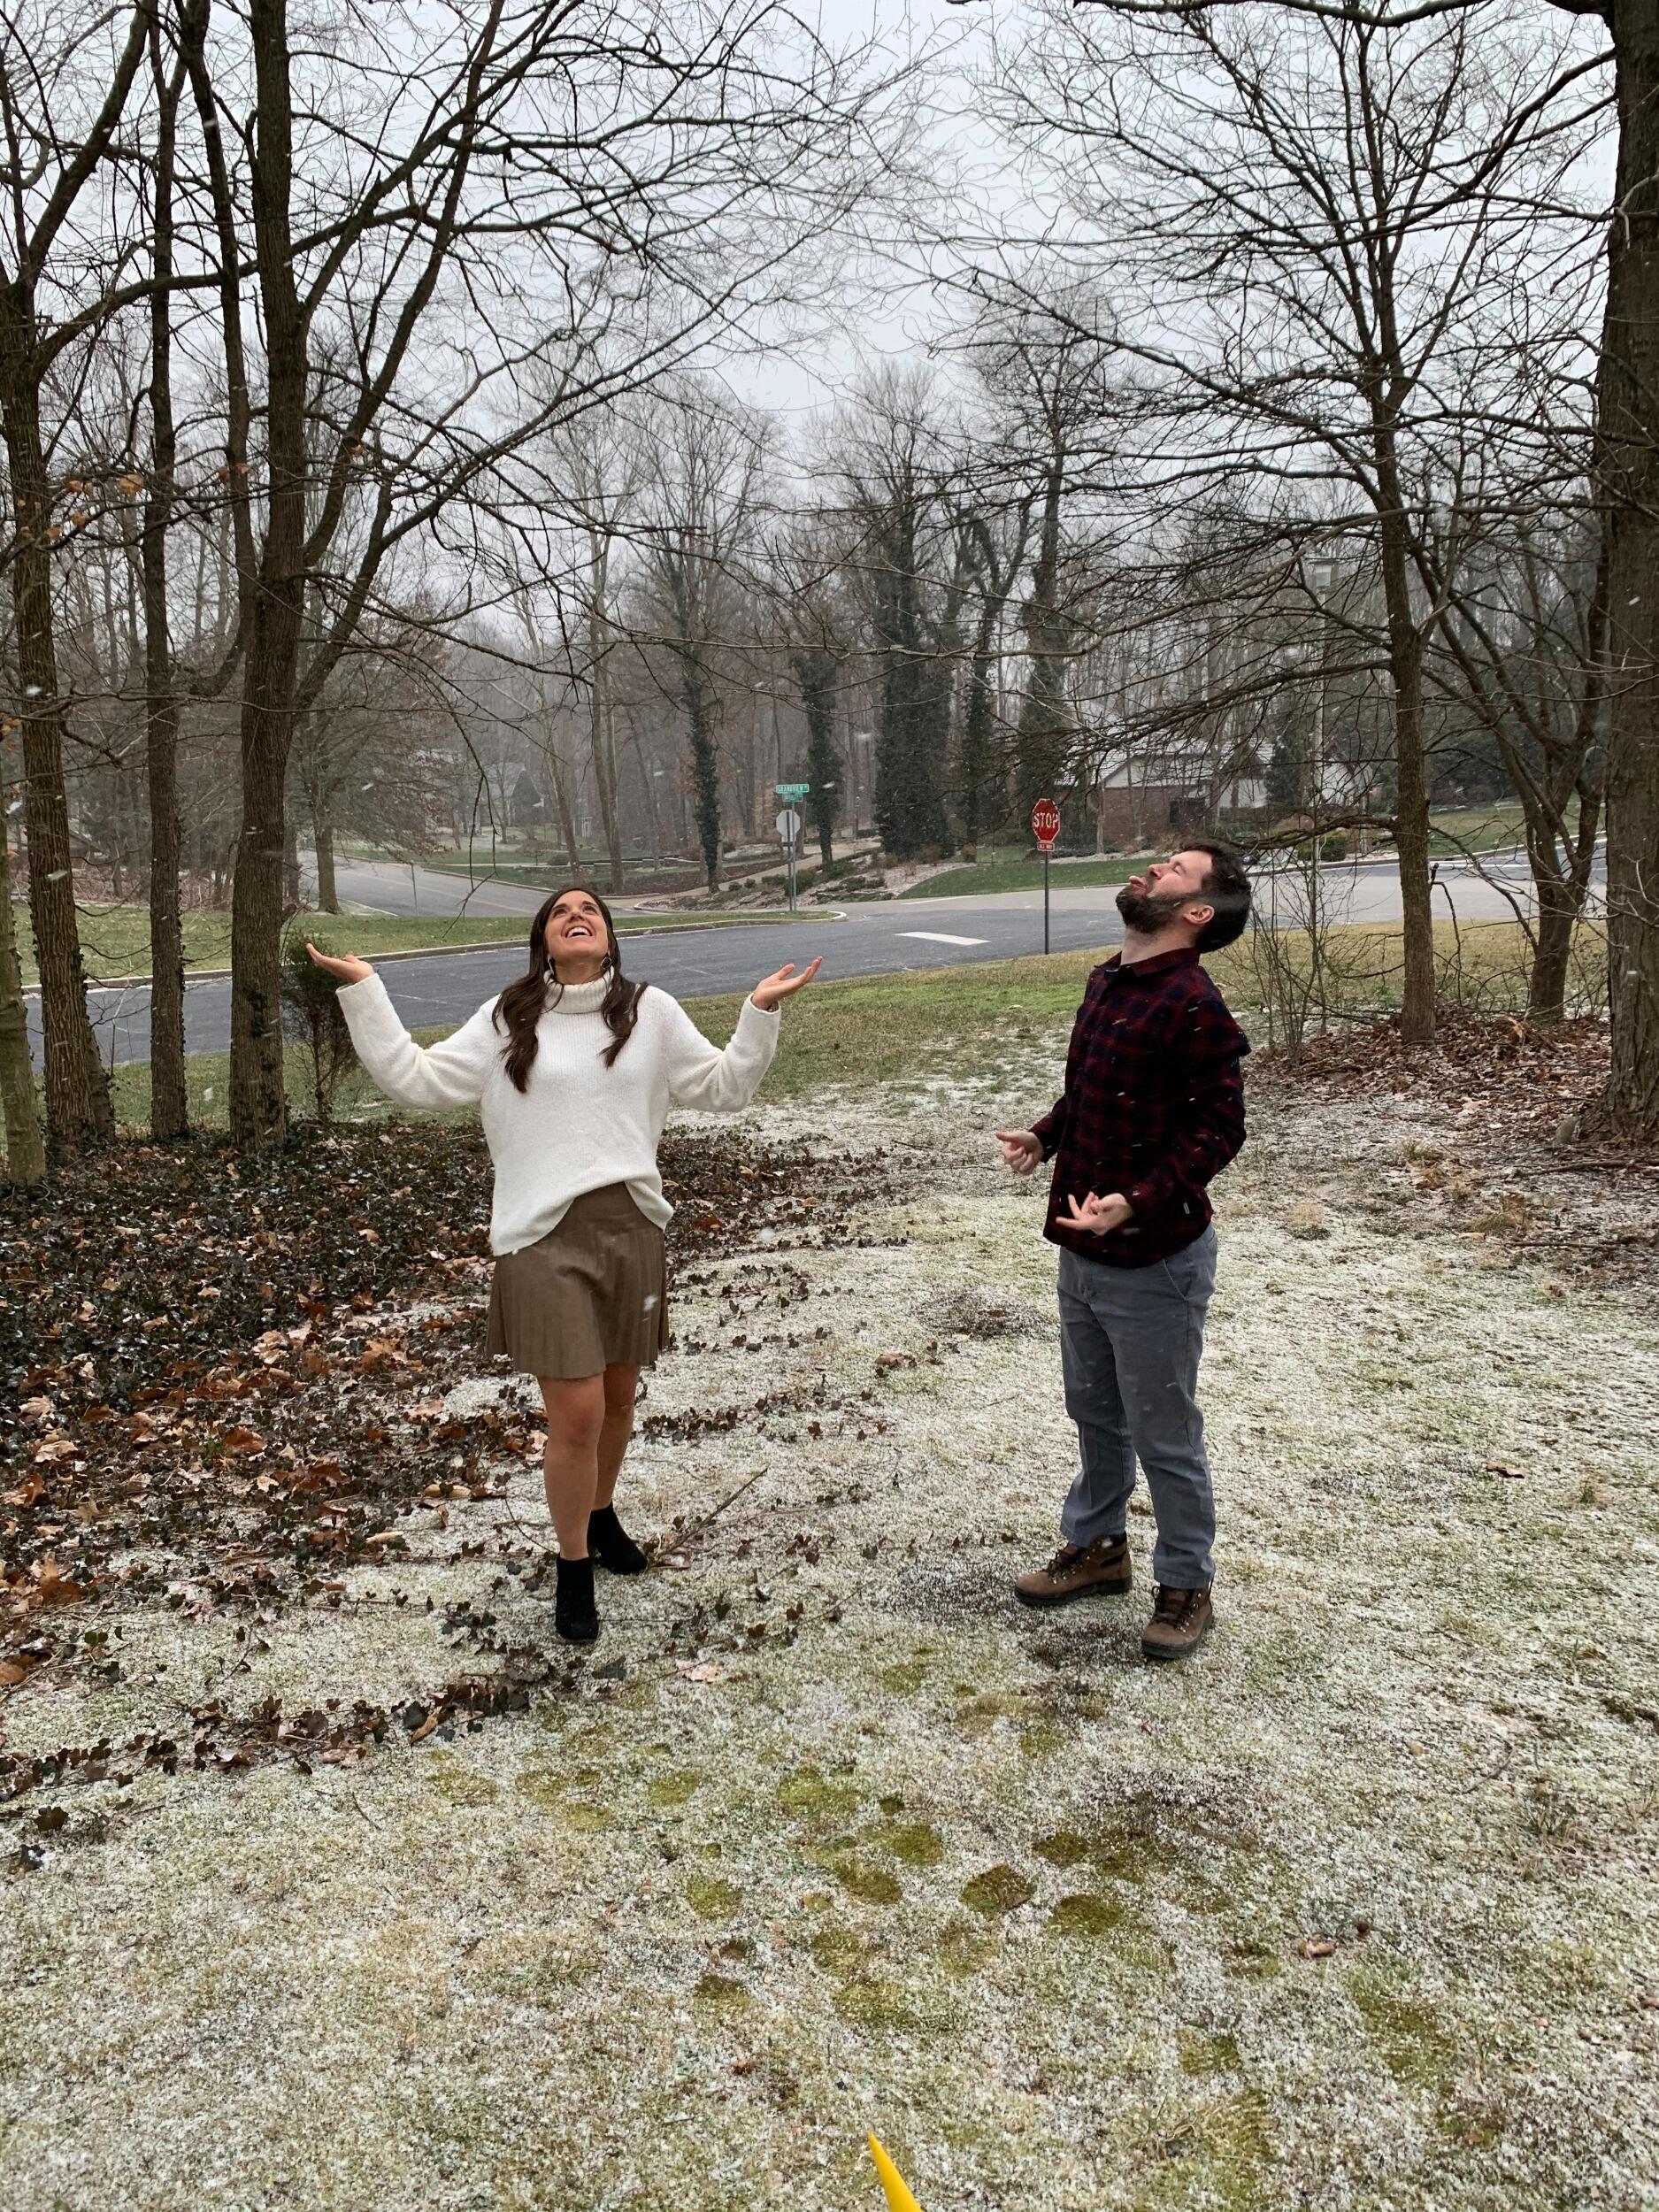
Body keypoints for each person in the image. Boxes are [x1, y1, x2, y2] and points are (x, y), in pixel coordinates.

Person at [308, 888, 818, 1645]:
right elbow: (416, 1080)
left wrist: (758, 1012)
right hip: (540, 1235)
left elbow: (722, 1089)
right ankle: (573, 1565)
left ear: (609, 935)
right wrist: (366, 990)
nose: (577, 915)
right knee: (575, 1413)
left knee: (617, 1398)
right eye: (560, 911)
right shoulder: (506, 1016)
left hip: (631, 1228)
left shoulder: (651, 1012)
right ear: (543, 939)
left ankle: (601, 1511)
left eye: (591, 908)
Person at [995, 842, 1252, 1663]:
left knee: (1162, 1430)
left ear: (1197, 912)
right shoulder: (1108, 978)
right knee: (1094, 1412)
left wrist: (1136, 1201)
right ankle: (1098, 1549)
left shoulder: (1194, 1007)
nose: (1153, 870)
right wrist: (1045, 1136)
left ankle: (1185, 1584)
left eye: (1175, 870)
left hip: (1156, 1261)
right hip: (1081, 1247)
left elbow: (1219, 1130)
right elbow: (1097, 1088)